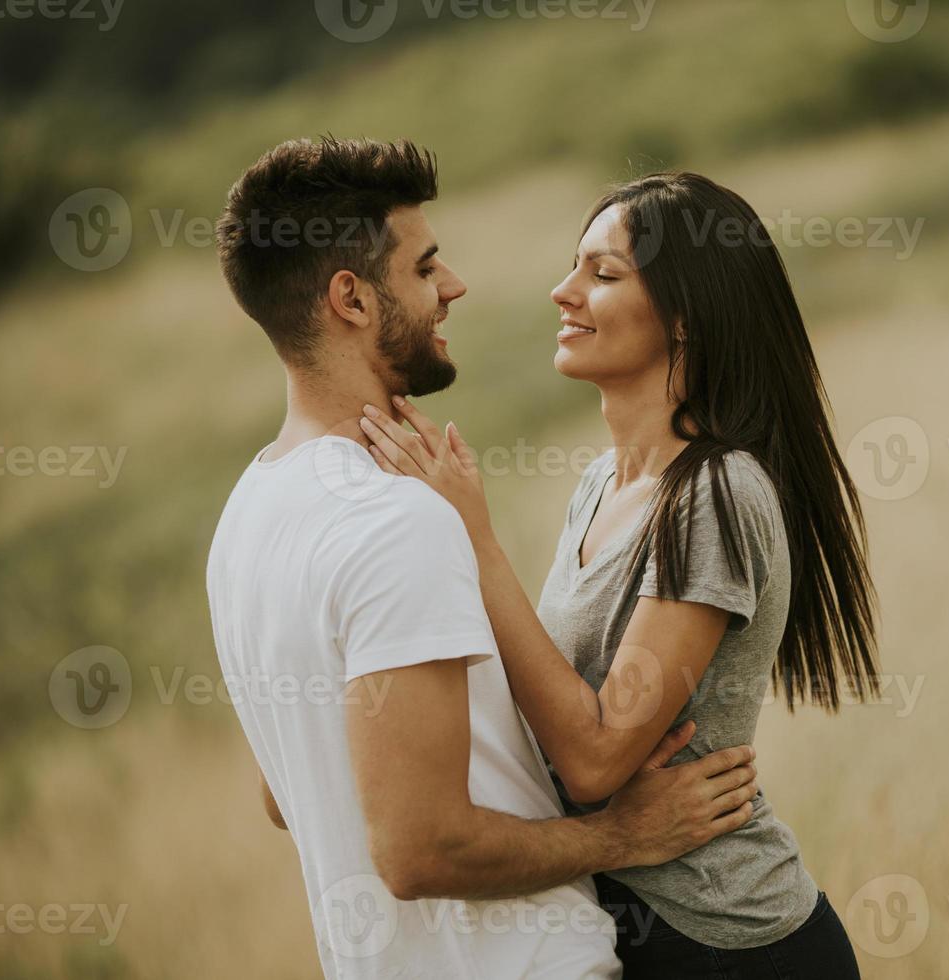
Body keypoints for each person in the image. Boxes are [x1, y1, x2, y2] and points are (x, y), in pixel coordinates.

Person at [206, 138, 759, 980]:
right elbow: (419, 851)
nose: (453, 286)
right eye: (425, 268)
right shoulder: (396, 520)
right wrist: (622, 835)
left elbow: (285, 794)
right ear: (351, 299)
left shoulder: (248, 515)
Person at [361, 171, 876, 978]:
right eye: (575, 266)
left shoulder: (716, 494)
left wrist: (475, 537)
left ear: (687, 319)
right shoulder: (603, 485)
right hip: (628, 930)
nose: (563, 292)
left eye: (602, 275)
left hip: (727, 943)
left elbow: (598, 757)